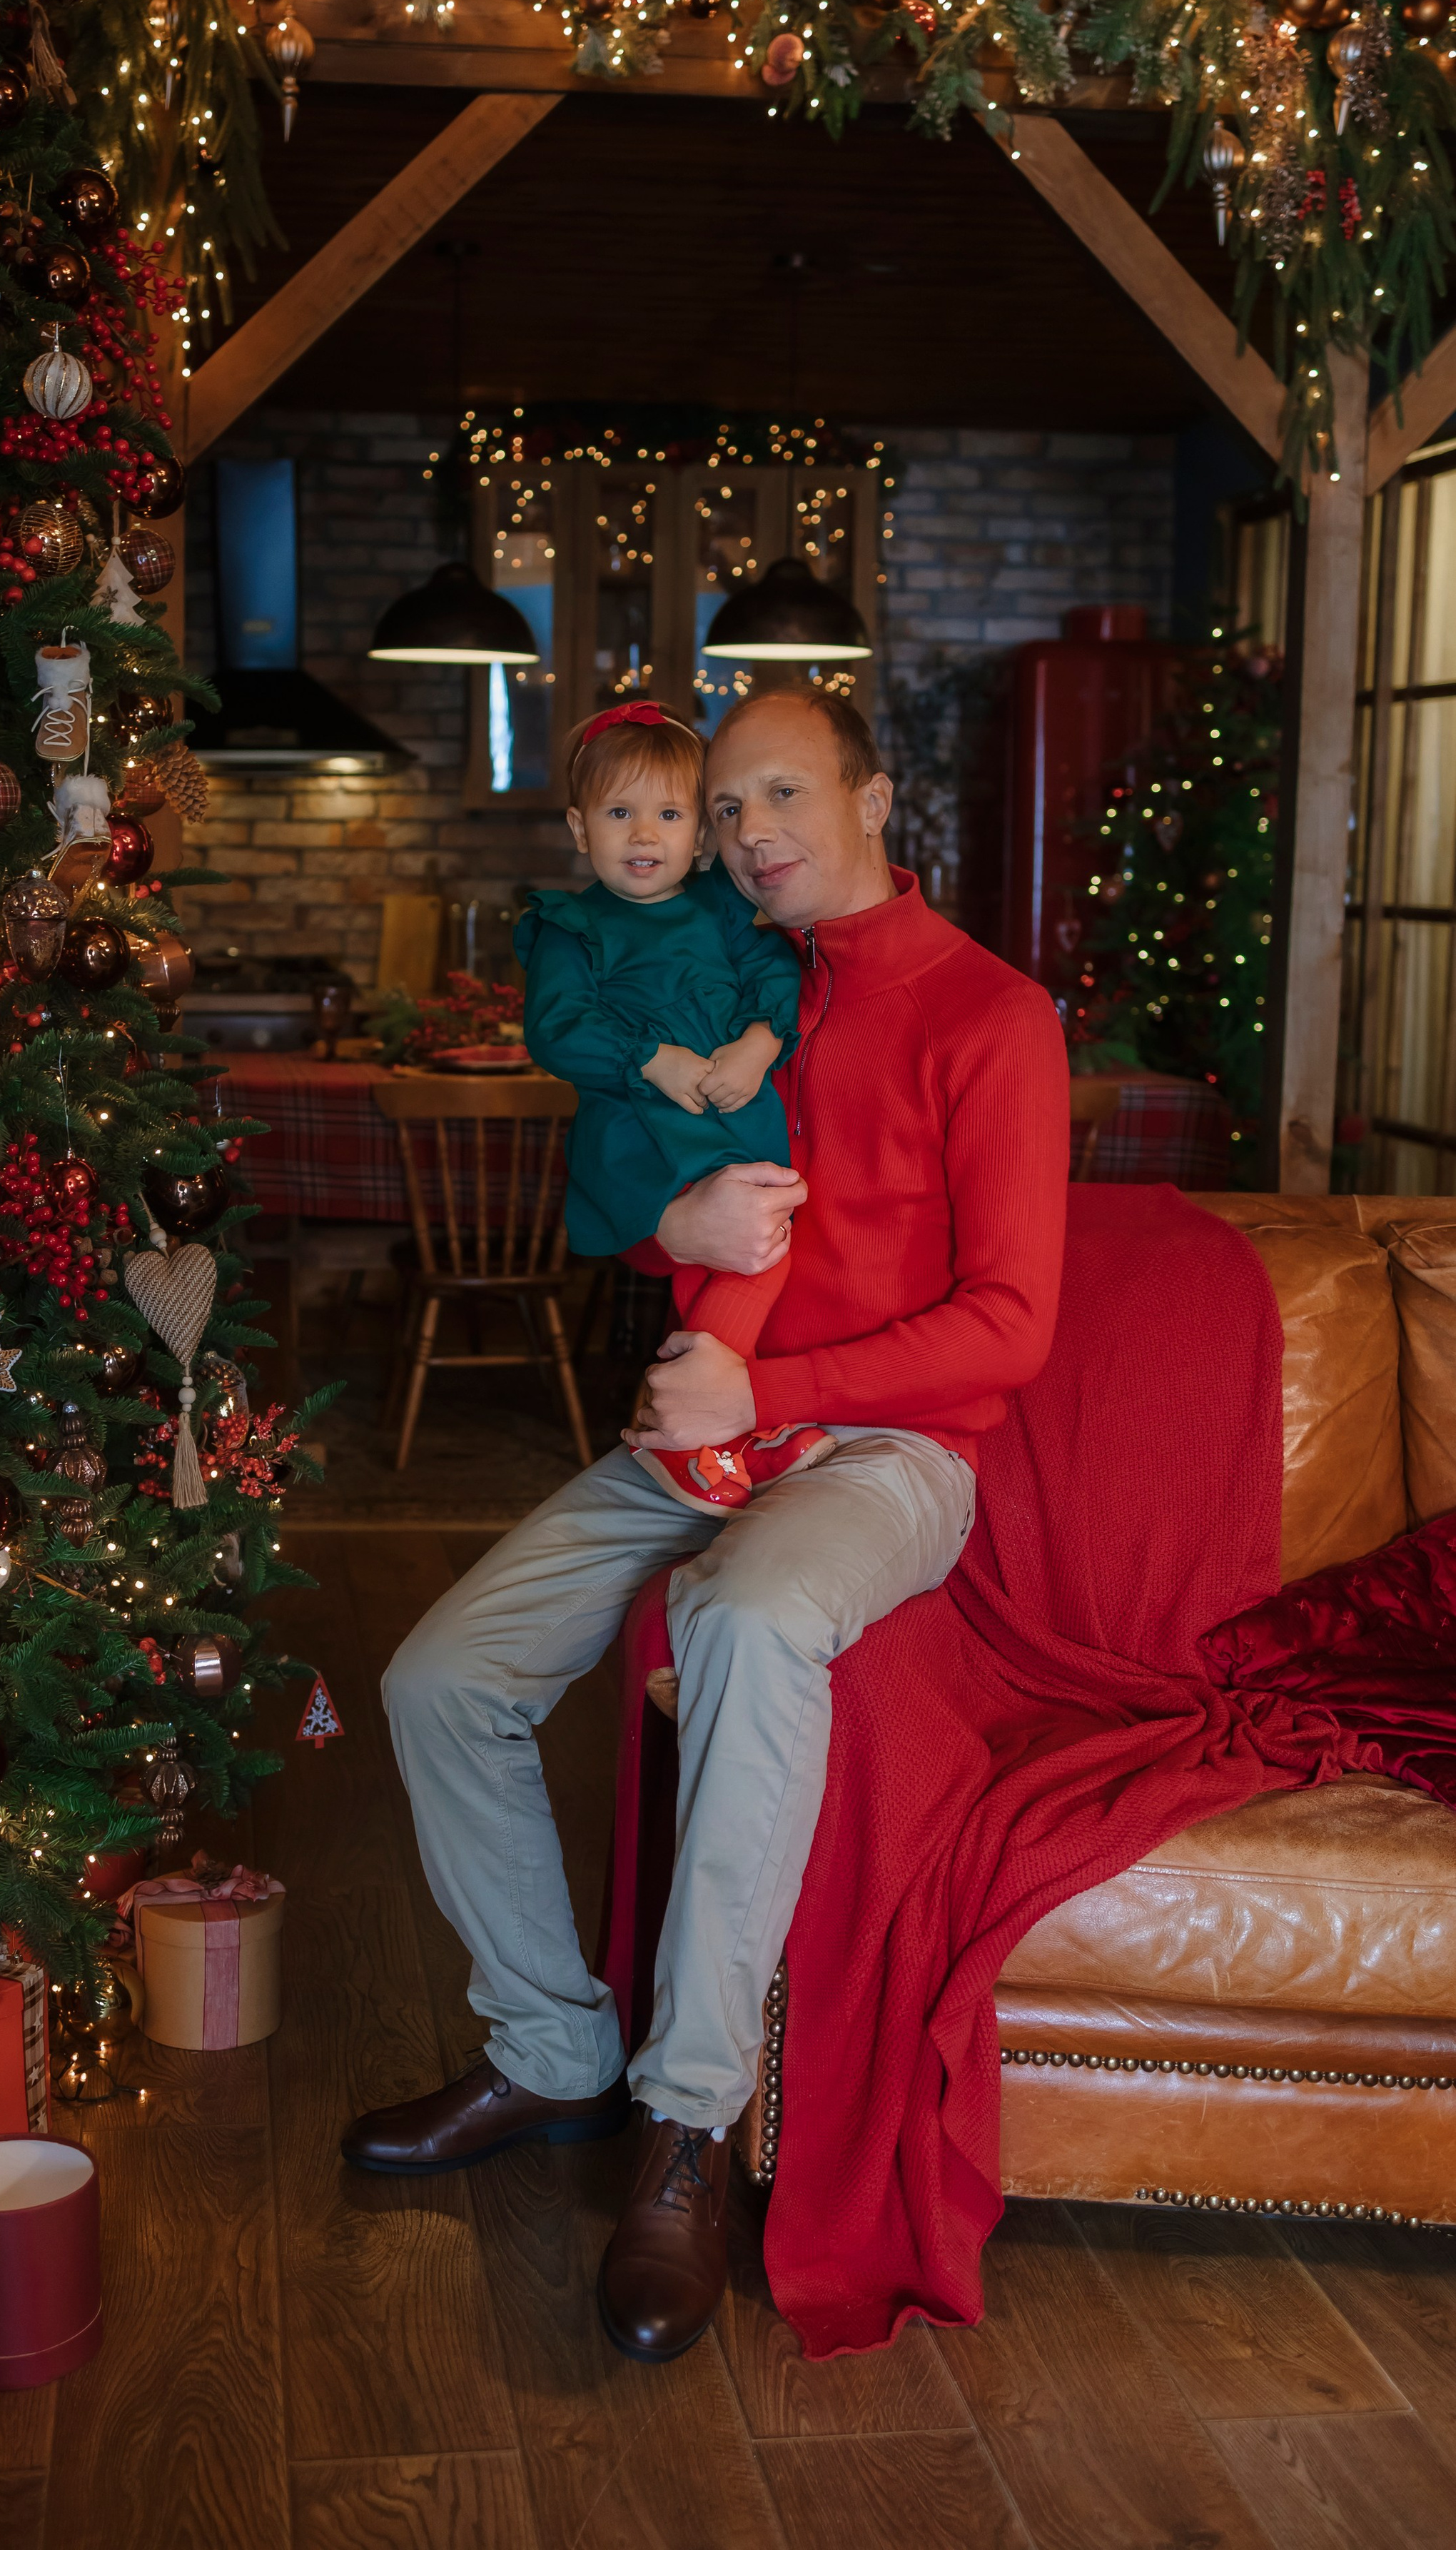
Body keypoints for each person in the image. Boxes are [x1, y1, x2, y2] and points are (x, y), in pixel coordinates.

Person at [343, 685, 1070, 2365]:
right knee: (440, 1670)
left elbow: (1013, 1324)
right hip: (707, 1425)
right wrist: (664, 1222)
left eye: (778, 794)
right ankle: (547, 2047)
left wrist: (778, 1385)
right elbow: (627, 1197)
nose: (741, 830)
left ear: (873, 797)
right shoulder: (737, 980)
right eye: (721, 802)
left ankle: (681, 2123)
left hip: (887, 1451)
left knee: (746, 1617)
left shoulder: (991, 1015)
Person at [516, 697, 835, 1514]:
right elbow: (557, 1028)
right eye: (619, 814)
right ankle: (690, 1435)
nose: (645, 835)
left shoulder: (721, 909)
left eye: (668, 814)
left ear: (699, 836)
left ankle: (720, 1432)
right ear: (582, 830)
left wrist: (761, 1043)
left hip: (731, 1107)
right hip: (635, 1126)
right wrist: (650, 1058)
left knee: (762, 1247)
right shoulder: (573, 925)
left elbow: (776, 979)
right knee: (741, 1245)